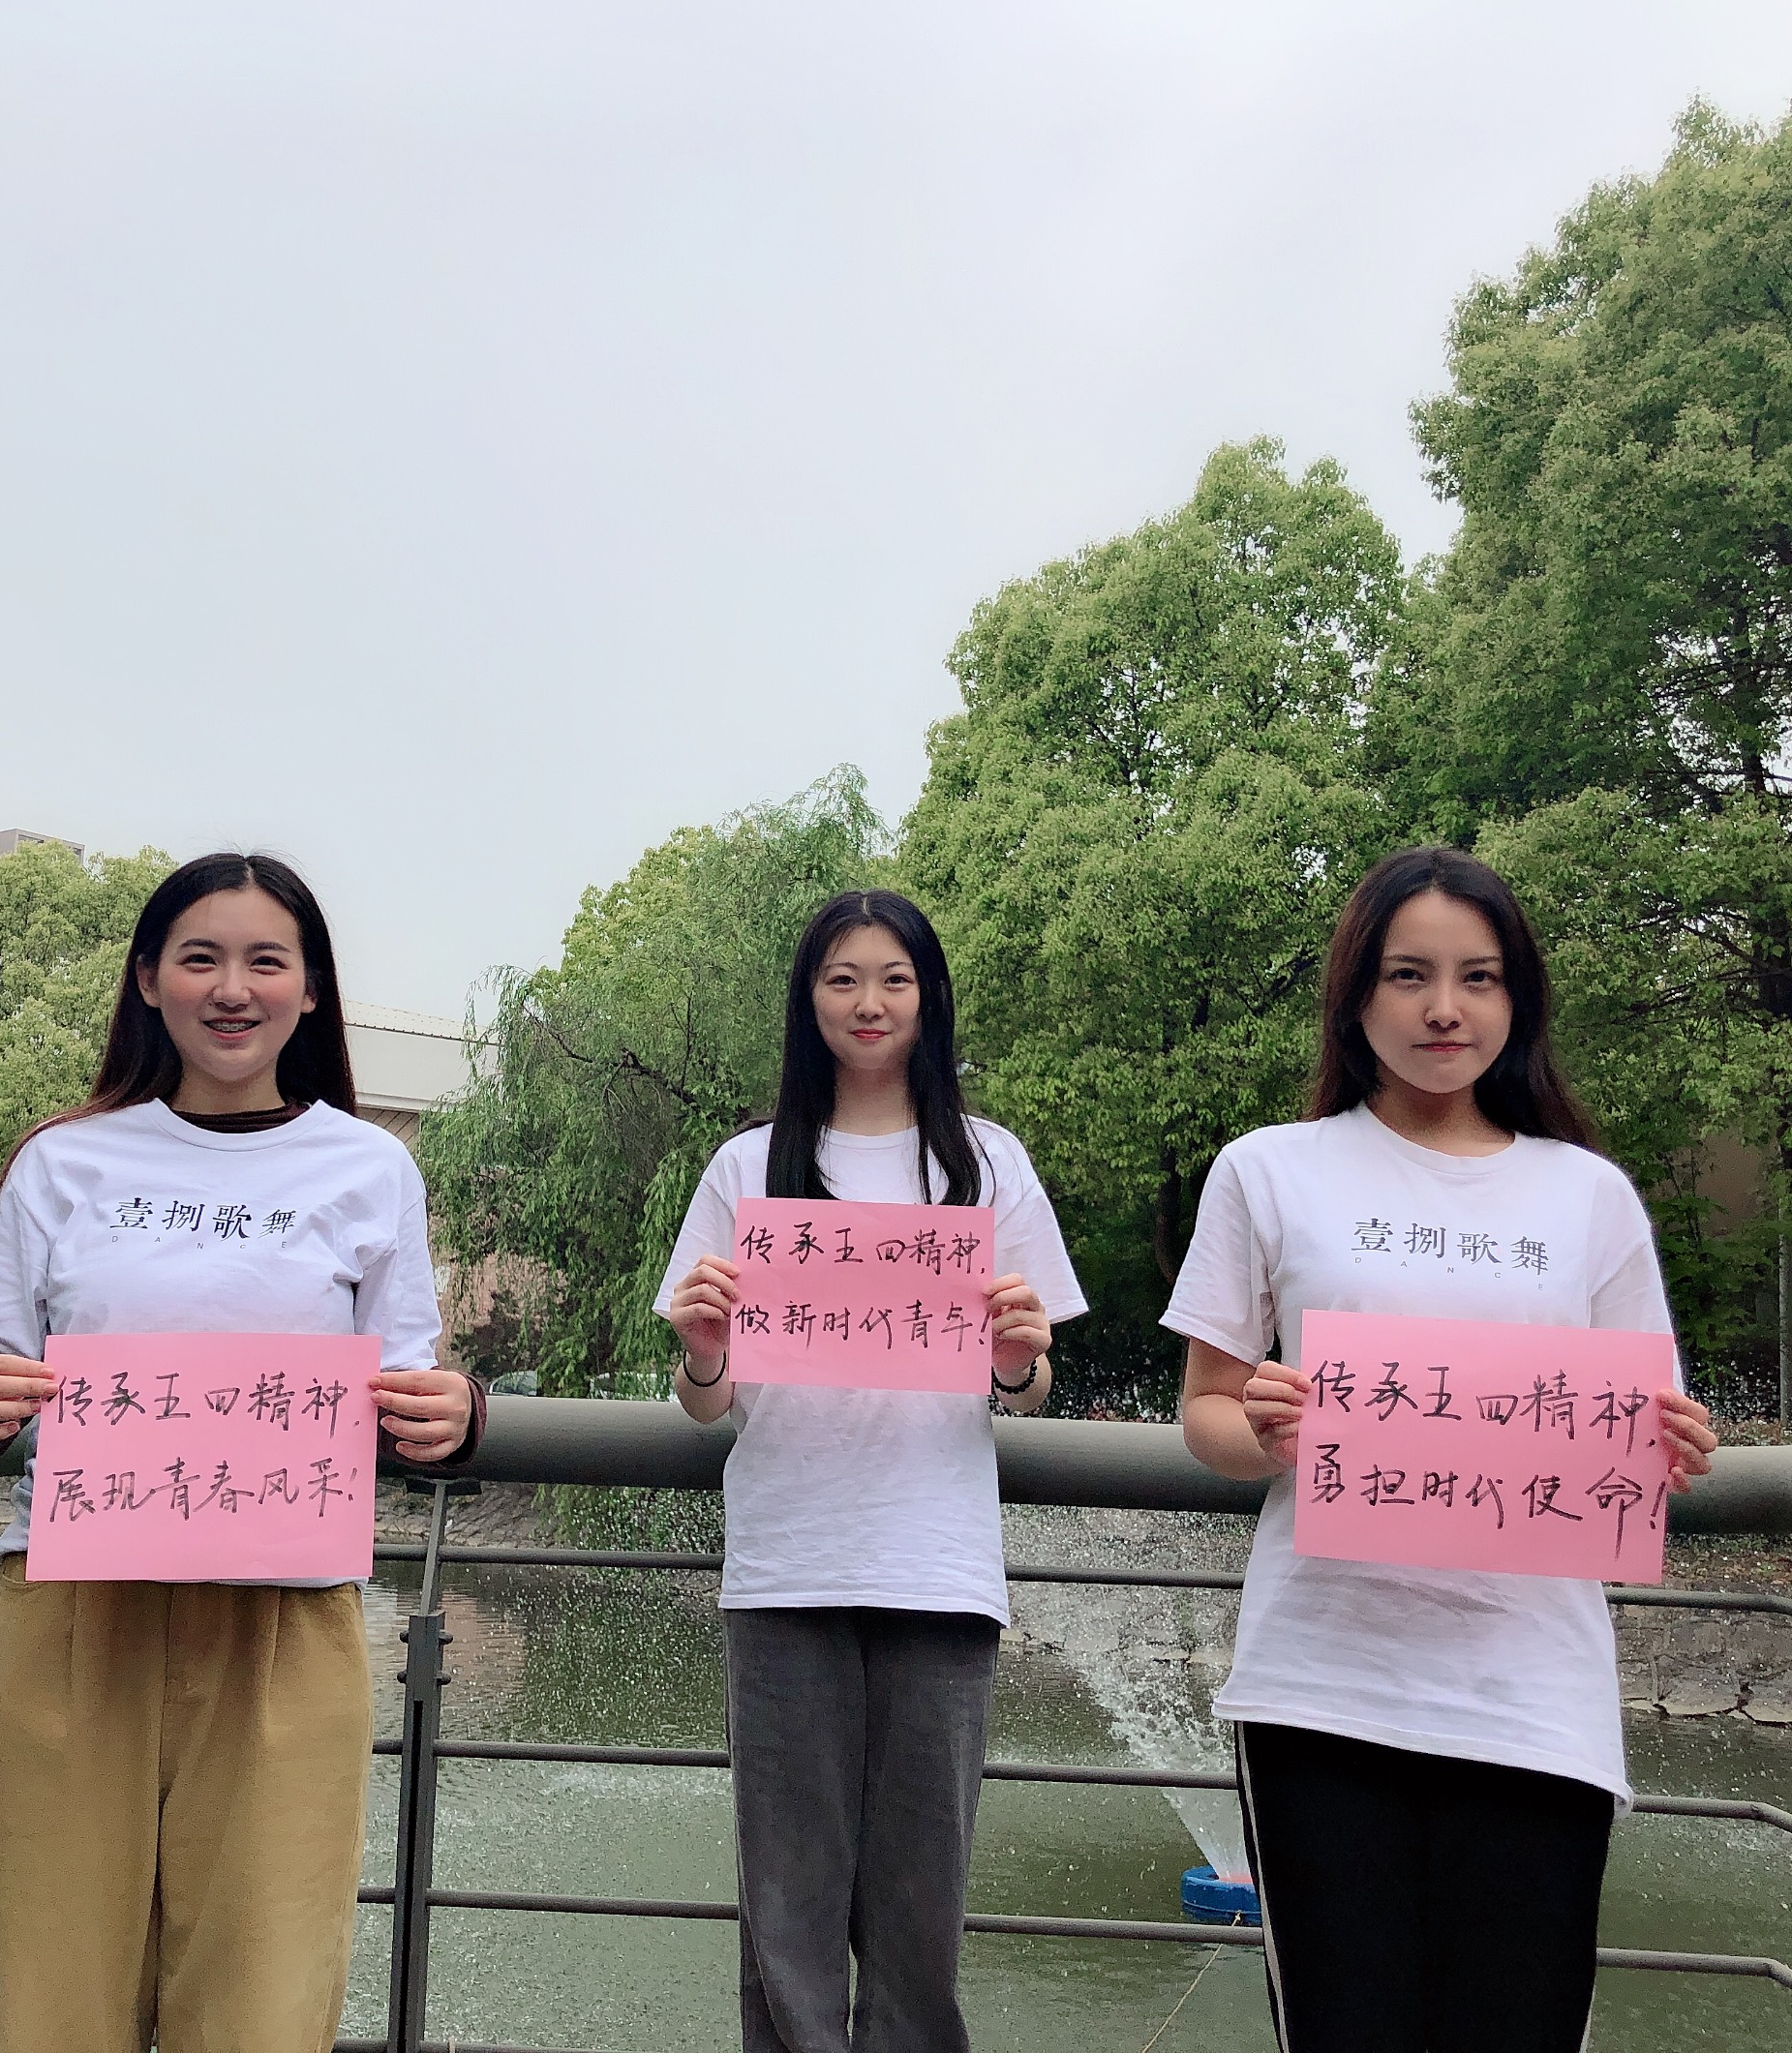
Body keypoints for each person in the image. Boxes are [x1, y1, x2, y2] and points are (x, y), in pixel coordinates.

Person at [0, 852, 486, 2053]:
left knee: (261, 2003)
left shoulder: (370, 1166)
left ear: (311, 989)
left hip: (285, 1619)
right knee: (53, 1997)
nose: (232, 989)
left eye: (265, 961)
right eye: (200, 958)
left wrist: (454, 1414)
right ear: (149, 980)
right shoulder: (64, 1159)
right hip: (75, 1609)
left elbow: (406, 1386)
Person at [1169, 846, 1720, 2053]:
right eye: (1408, 975)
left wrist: (1674, 1444)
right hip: (1322, 1689)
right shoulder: (1268, 1170)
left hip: (1534, 1696)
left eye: (1478, 977)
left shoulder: (1589, 1195)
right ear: (1356, 995)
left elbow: (1639, 1426)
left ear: (1517, 999)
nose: (1443, 1008)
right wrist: (1262, 1430)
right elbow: (1206, 1410)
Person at [657, 889, 1086, 2053]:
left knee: (921, 1910)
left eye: (894, 978)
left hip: (938, 1571)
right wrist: (703, 1349)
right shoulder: (748, 1167)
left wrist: (1016, 1360)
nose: (869, 1002)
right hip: (786, 1569)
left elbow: (1026, 1389)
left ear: (929, 997)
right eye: (842, 978)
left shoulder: (987, 1164)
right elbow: (707, 1401)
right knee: (785, 1909)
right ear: (808, 1000)